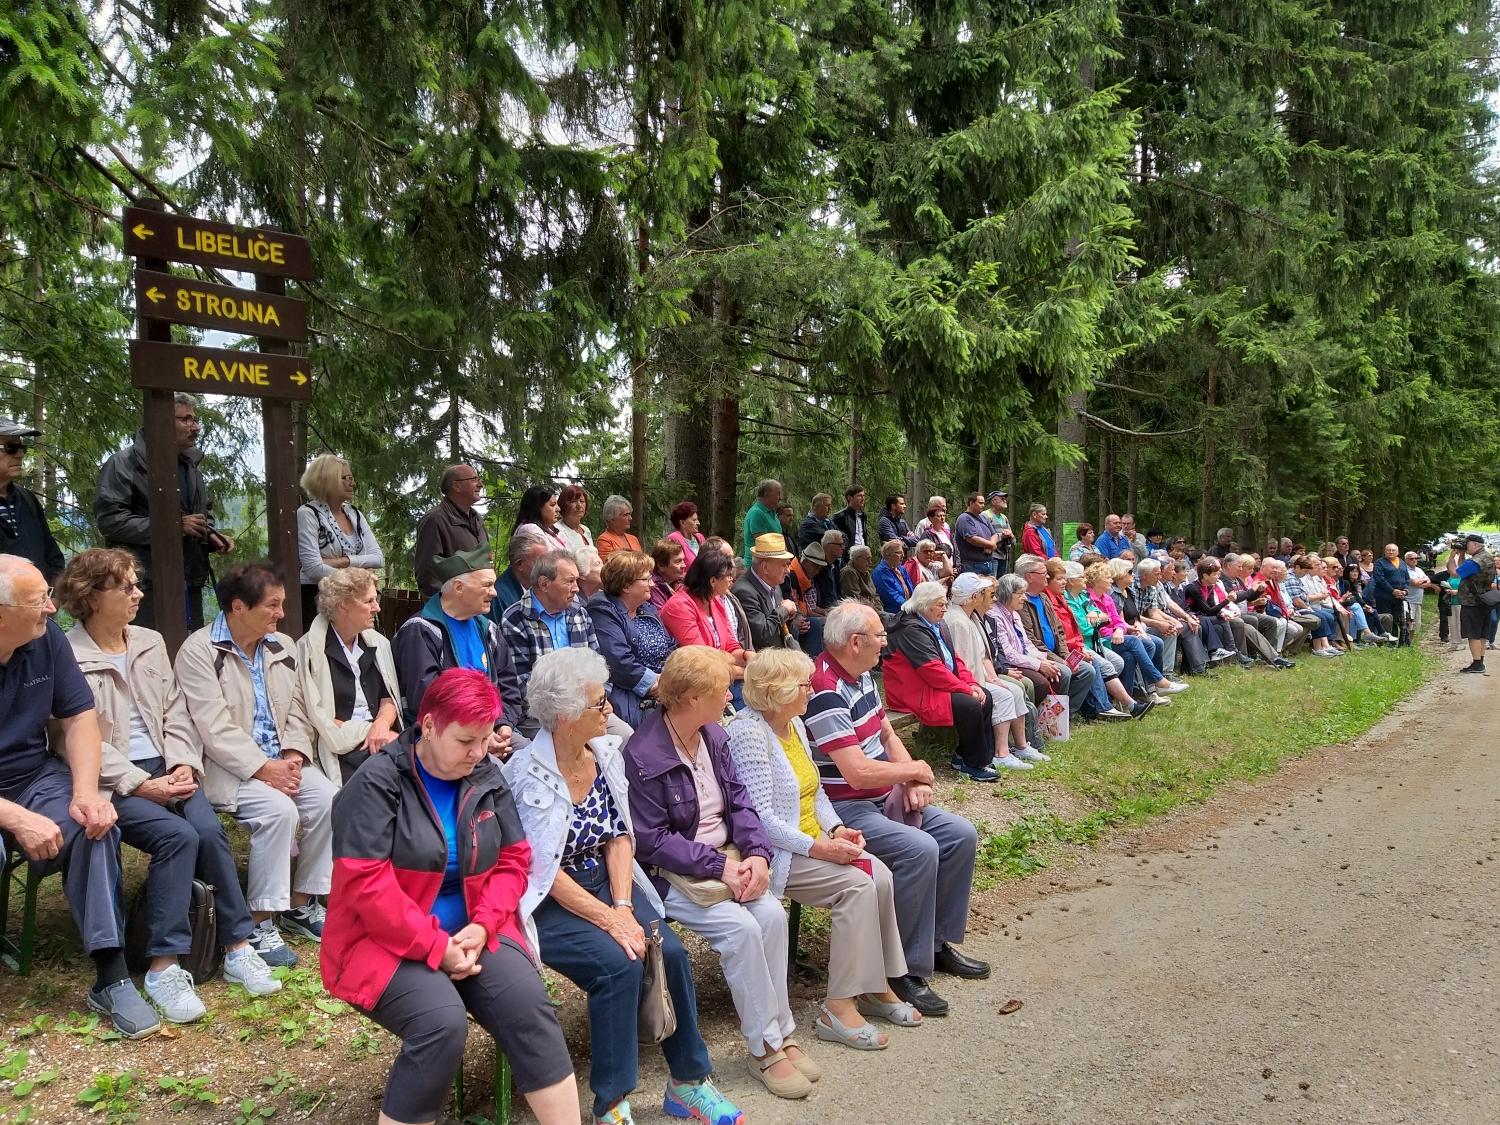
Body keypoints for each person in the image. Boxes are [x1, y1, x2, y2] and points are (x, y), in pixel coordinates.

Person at [324, 668, 580, 1125]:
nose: (479, 753)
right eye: (466, 741)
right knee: (439, 1025)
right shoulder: (374, 785)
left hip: (475, 929)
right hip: (380, 940)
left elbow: (513, 862)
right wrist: (435, 947)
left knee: (530, 1008)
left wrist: (483, 924)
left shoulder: (485, 776)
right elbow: (367, 888)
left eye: (485, 739)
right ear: (429, 726)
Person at [508, 648, 742, 1125]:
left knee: (668, 953)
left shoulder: (605, 753)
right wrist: (609, 919)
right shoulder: (525, 774)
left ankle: (688, 1083)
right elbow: (541, 872)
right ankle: (612, 1103)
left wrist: (621, 903)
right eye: (599, 703)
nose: (609, 708)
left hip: (609, 881)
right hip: (552, 899)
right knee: (619, 965)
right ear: (567, 714)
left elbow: (620, 834)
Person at [59, 550, 283, 1023]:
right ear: (93, 597)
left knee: (208, 832)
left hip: (171, 766)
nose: (139, 594)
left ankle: (238, 944)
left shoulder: (148, 640)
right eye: (127, 587)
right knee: (177, 837)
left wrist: (184, 763)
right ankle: (165, 965)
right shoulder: (68, 655)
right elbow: (74, 739)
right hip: (112, 779)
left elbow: (176, 711)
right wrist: (141, 783)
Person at [625, 646, 813, 1100]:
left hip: (728, 860)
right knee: (740, 931)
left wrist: (757, 856)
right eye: (720, 690)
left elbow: (741, 802)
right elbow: (652, 841)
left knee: (769, 918)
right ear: (690, 698)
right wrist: (720, 866)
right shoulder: (643, 753)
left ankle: (783, 1033)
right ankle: (764, 1049)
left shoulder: (714, 736)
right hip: (671, 875)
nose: (730, 697)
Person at [727, 648, 918, 1052]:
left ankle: (875, 985)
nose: (811, 689)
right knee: (857, 886)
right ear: (777, 690)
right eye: (803, 684)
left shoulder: (792, 722)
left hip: (814, 840)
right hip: (777, 852)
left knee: (879, 875)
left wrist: (838, 828)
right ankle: (838, 1007)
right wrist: (818, 847)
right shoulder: (748, 732)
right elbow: (759, 819)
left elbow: (815, 792)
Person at [804, 602, 986, 1018]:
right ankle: (898, 969)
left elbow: (885, 732)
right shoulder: (825, 688)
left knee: (960, 835)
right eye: (880, 636)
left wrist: (911, 778)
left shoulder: (860, 673)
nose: (886, 642)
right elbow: (854, 773)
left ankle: (935, 945)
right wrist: (914, 769)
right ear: (855, 643)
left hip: (881, 792)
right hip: (846, 808)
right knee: (918, 849)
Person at [0, 555, 157, 1037]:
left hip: (32, 777)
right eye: (38, 602)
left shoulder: (44, 640)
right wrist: (15, 819)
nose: (52, 608)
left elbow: (78, 719)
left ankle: (110, 978)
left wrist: (86, 793)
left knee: (95, 825)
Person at [175, 561, 331, 968]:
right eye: (273, 605)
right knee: (278, 812)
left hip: (284, 761)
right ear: (239, 607)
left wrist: (295, 752)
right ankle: (259, 920)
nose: (282, 614)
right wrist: (265, 769)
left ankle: (300, 902)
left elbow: (299, 708)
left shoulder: (280, 646)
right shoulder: (199, 651)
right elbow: (212, 728)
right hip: (229, 768)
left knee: (330, 798)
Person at [95, 393, 234, 628]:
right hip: (142, 586)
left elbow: (201, 514)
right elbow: (110, 520)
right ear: (160, 421)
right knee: (149, 653)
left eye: (195, 419)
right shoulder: (124, 464)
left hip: (189, 581)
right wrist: (174, 526)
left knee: (188, 653)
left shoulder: (190, 467)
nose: (196, 427)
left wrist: (210, 535)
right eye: (186, 419)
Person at [392, 547, 522, 756]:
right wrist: (479, 737)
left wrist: (503, 725)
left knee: (530, 758)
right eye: (487, 585)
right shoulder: (421, 630)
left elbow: (509, 688)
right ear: (459, 587)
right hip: (443, 738)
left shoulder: (489, 630)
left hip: (490, 730)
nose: (495, 592)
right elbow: (427, 701)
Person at [499, 548, 631, 741]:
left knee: (624, 736)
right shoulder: (515, 619)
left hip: (590, 705)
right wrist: (567, 709)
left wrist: (597, 702)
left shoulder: (579, 613)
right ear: (544, 584)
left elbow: (599, 664)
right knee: (564, 750)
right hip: (545, 716)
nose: (577, 588)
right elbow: (520, 682)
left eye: (577, 580)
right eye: (569, 581)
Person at [884, 582, 1004, 782]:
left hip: (932, 685)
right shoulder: (910, 628)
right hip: (913, 691)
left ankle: (970, 756)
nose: (945, 609)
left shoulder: (933, 623)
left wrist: (970, 684)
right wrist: (965, 689)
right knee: (969, 704)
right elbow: (932, 670)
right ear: (925, 604)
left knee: (985, 696)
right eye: (940, 605)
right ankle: (971, 764)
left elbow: (954, 660)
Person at [298, 567, 402, 785]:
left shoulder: (378, 644)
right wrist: (369, 731)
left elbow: (389, 697)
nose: (377, 608)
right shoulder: (310, 650)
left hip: (382, 737)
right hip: (340, 747)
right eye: (369, 601)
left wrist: (382, 725)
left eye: (376, 599)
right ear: (343, 604)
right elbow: (318, 716)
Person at [944, 572, 1044, 767]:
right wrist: (983, 682)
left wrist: (992, 677)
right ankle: (1001, 753)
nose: (992, 597)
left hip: (978, 677)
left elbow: (983, 655)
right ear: (974, 597)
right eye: (985, 593)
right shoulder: (958, 621)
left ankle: (1021, 746)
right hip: (971, 682)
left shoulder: (970, 616)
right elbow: (963, 662)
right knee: (1006, 694)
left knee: (1014, 690)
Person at [587, 550, 677, 728]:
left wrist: (673, 676)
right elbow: (618, 662)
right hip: (630, 694)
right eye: (645, 579)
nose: (651, 584)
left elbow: (671, 645)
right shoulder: (602, 609)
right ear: (626, 585)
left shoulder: (646, 608)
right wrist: (654, 684)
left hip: (664, 686)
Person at [296, 453, 384, 626]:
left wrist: (341, 561)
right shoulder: (308, 514)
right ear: (328, 479)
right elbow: (314, 569)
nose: (353, 483)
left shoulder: (355, 515)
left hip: (353, 600)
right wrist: (362, 575)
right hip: (317, 600)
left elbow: (378, 558)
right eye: (346, 478)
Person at [1013, 555, 1103, 718]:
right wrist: (1060, 660)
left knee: (1087, 670)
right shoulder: (1021, 602)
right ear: (1029, 576)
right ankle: (1050, 718)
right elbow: (1030, 640)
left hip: (1056, 654)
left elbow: (1058, 630)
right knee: (1065, 671)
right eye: (1043, 573)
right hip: (1039, 656)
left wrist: (1066, 655)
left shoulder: (1043, 597)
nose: (1047, 576)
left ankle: (1067, 715)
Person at [659, 547, 751, 703]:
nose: (731, 580)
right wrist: (747, 670)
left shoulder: (715, 600)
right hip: (694, 687)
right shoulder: (679, 606)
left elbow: (729, 644)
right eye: (728, 576)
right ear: (713, 580)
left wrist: (746, 655)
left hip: (722, 676)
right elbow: (702, 658)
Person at [0, 417, 64, 582]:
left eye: (21, 447)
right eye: (11, 448)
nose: (20, 454)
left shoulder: (27, 499)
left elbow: (53, 557)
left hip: (39, 605)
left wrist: (54, 596)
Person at [411, 464, 488, 599]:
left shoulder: (477, 520)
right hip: (450, 612)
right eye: (474, 479)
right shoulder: (434, 520)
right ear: (456, 486)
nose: (480, 484)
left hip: (477, 608)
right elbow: (428, 576)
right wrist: (448, 606)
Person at [733, 534, 802, 653]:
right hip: (764, 663)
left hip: (780, 655)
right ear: (765, 567)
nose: (788, 570)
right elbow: (763, 637)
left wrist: (790, 615)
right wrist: (784, 610)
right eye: (784, 564)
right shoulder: (744, 592)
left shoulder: (774, 584)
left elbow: (779, 627)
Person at [1447, 533, 1495, 673]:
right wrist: (1462, 554)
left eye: (1467, 544)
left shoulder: (1475, 561)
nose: (1465, 546)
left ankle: (1477, 664)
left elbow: (1455, 573)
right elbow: (1466, 570)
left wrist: (1452, 556)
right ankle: (1480, 661)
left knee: (1473, 633)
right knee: (1482, 633)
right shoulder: (1486, 557)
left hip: (1472, 601)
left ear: (1474, 544)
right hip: (1485, 600)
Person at [494, 530, 551, 616]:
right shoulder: (500, 597)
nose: (547, 567)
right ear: (520, 564)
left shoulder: (538, 587)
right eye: (540, 562)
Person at [953, 493, 999, 577]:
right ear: (971, 503)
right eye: (980, 503)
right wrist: (991, 545)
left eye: (984, 503)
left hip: (987, 563)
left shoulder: (983, 517)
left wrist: (991, 545)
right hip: (971, 565)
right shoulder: (964, 518)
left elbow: (994, 534)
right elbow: (972, 538)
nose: (983, 505)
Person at [1371, 543, 1411, 634]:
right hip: (1384, 596)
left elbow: (1407, 578)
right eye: (1388, 550)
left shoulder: (1402, 562)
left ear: (1398, 552)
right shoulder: (1380, 562)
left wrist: (1405, 591)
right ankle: (1386, 640)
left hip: (1399, 597)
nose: (1391, 552)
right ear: (1385, 552)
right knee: (1387, 619)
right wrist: (1392, 591)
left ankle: (1396, 639)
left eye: (1393, 550)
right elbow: (1379, 579)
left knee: (1397, 619)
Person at [743, 480, 785, 565]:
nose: (780, 497)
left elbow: (780, 540)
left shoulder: (772, 513)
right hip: (757, 567)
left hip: (770, 567)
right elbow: (763, 545)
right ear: (766, 494)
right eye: (778, 493)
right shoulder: (757, 513)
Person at [514, 484, 568, 549]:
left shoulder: (548, 530)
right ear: (537, 507)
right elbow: (547, 557)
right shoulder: (530, 529)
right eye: (552, 505)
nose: (558, 508)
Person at [873, 539, 916, 615]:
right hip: (895, 614)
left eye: (903, 553)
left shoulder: (901, 568)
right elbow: (893, 597)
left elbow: (910, 588)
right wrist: (911, 607)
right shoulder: (881, 572)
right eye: (899, 553)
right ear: (888, 555)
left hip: (907, 609)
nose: (903, 555)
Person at [596, 495, 643, 560]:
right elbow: (611, 566)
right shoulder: (604, 540)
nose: (630, 518)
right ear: (612, 519)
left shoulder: (633, 539)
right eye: (625, 515)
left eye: (630, 514)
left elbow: (643, 562)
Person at [840, 545, 881, 612]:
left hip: (873, 609)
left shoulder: (865, 571)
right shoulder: (849, 572)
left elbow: (874, 594)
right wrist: (875, 609)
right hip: (861, 612)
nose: (870, 562)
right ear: (856, 559)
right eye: (867, 559)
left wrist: (879, 606)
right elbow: (854, 597)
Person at [832, 486, 870, 557]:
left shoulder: (863, 515)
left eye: (863, 496)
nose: (863, 499)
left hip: (863, 554)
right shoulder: (840, 516)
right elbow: (837, 539)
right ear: (850, 498)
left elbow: (862, 536)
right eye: (859, 496)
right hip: (849, 556)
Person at [982, 491, 1015, 575]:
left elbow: (1013, 540)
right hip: (991, 557)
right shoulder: (985, 515)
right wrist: (1002, 535)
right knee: (993, 583)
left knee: (1001, 584)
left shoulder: (1004, 518)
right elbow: (982, 537)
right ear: (993, 501)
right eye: (1002, 499)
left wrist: (1010, 535)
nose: (1005, 501)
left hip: (1004, 557)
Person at [666, 501, 706, 568]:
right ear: (682, 523)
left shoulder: (700, 537)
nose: (698, 523)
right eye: (694, 520)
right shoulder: (674, 538)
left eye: (697, 519)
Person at [650, 538, 686, 609]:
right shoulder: (652, 587)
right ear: (661, 565)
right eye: (678, 561)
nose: (684, 565)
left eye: (683, 560)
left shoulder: (682, 579)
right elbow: (663, 617)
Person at [556, 484, 594, 552]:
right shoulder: (557, 530)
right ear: (563, 504)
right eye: (573, 501)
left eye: (582, 501)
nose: (579, 505)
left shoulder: (586, 530)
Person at [1403, 549, 1431, 635]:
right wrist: (1421, 582)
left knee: (1417, 624)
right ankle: (1408, 641)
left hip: (1418, 601)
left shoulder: (1419, 570)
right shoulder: (1405, 570)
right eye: (1411, 558)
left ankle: (1415, 641)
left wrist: (1419, 583)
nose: (1414, 560)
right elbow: (1414, 582)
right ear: (1406, 560)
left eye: (1416, 558)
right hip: (1409, 601)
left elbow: (1429, 582)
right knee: (1409, 623)